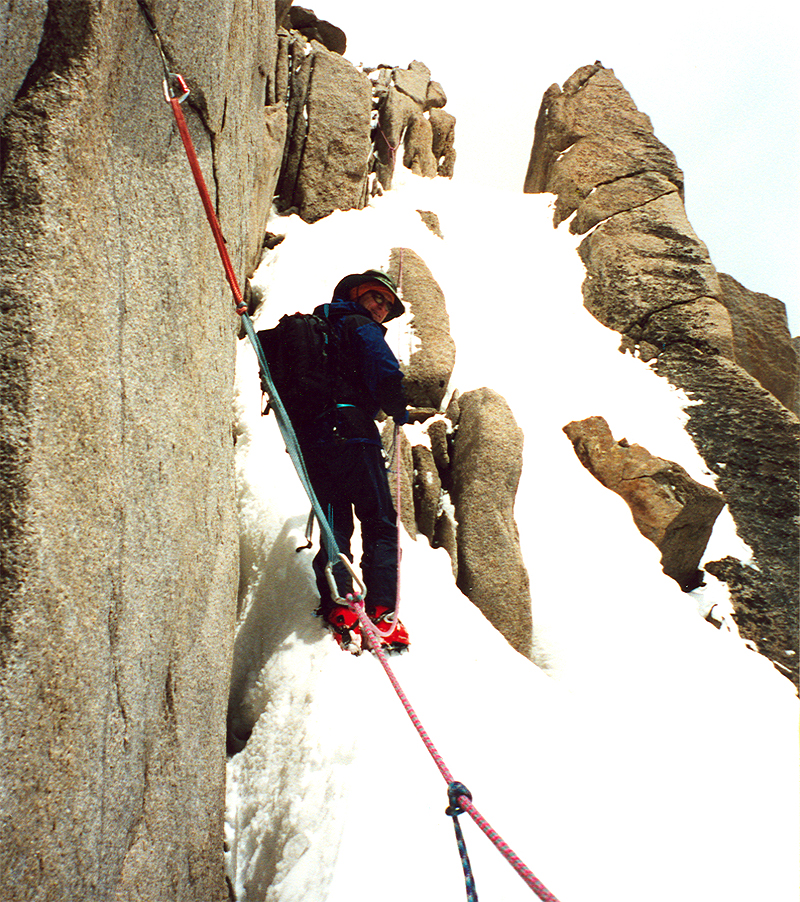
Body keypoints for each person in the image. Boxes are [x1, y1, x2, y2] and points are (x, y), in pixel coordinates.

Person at [298, 269, 410, 652]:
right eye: (377, 297)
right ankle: (381, 613)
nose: (382, 308)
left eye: (387, 305)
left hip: (315, 440)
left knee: (335, 522)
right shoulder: (359, 325)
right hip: (354, 435)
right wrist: (398, 406)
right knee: (379, 520)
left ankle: (340, 605)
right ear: (356, 293)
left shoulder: (321, 329)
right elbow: (385, 373)